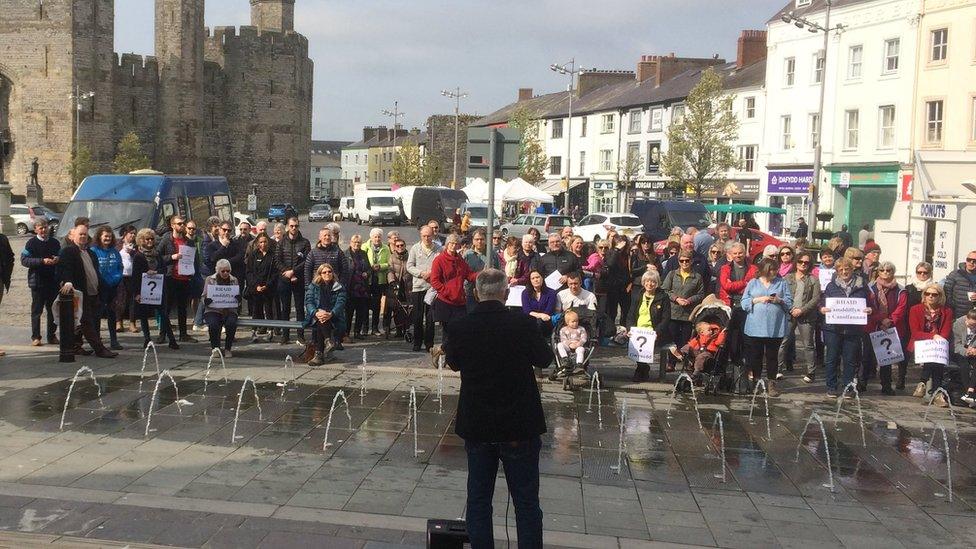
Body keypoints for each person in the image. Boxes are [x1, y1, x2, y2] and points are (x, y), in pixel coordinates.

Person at [443, 269, 550, 549]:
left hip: (478, 423)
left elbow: (453, 362)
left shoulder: (460, 326)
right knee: (526, 502)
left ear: (477, 294)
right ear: (505, 294)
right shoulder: (524, 324)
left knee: (478, 499)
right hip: (519, 422)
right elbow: (545, 358)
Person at [57, 224, 117, 358]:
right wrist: (68, 281)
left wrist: (104, 288)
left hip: (94, 293)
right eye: (80, 234)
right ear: (73, 236)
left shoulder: (90, 252)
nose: (83, 236)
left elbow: (96, 273)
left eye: (85, 234)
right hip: (81, 294)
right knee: (87, 322)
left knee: (91, 321)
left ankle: (76, 346)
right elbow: (65, 268)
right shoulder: (69, 251)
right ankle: (100, 349)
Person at [820, 258, 873, 396]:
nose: (844, 272)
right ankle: (831, 387)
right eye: (841, 270)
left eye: (847, 269)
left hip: (853, 329)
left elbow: (871, 303)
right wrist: (822, 309)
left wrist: (869, 310)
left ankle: (848, 387)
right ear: (837, 272)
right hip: (833, 329)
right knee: (832, 358)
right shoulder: (831, 286)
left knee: (850, 359)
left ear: (852, 269)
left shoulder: (862, 285)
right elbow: (822, 303)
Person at [741, 259, 793, 396]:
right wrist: (757, 300)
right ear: (764, 270)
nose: (774, 272)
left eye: (776, 269)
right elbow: (744, 302)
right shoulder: (753, 283)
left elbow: (789, 302)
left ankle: (771, 383)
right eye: (771, 269)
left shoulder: (781, 283)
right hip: (755, 326)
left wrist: (779, 300)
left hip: (774, 326)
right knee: (756, 356)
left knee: (772, 356)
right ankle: (757, 382)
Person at [157, 215, 199, 349]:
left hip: (185, 278)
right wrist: (172, 257)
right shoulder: (166, 240)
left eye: (183, 224)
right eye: (179, 224)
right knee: (167, 308)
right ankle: (162, 334)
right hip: (171, 278)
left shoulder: (188, 241)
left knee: (182, 308)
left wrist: (193, 271)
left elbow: (194, 258)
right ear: (172, 225)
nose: (181, 226)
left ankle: (183, 333)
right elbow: (158, 257)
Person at [908, 283, 953, 406]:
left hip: (938, 344)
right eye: (928, 294)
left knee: (936, 357)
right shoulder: (915, 309)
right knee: (934, 358)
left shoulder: (947, 311)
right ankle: (937, 393)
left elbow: (946, 331)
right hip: (920, 344)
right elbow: (915, 332)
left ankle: (922, 382)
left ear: (940, 296)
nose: (931, 297)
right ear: (924, 295)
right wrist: (933, 336)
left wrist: (938, 339)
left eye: (934, 294)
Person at [866, 261, 908, 394]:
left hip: (891, 327)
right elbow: (869, 306)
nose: (885, 273)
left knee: (887, 359)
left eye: (888, 270)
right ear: (878, 272)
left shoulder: (900, 290)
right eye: (882, 270)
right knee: (866, 357)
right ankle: (862, 384)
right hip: (873, 325)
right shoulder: (870, 288)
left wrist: (889, 321)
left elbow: (901, 308)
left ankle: (886, 386)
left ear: (893, 272)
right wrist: (880, 319)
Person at [781, 251, 821, 384]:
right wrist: (792, 309)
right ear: (796, 262)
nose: (803, 264)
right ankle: (777, 369)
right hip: (789, 313)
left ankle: (811, 372)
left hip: (807, 315)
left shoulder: (813, 279)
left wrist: (802, 310)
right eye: (800, 262)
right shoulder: (788, 277)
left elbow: (815, 299)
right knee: (784, 341)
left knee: (808, 345)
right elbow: (784, 295)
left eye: (806, 262)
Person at [430, 233, 478, 347]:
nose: (453, 246)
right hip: (445, 301)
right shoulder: (439, 260)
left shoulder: (460, 259)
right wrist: (447, 292)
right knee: (448, 331)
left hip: (459, 301)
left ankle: (448, 353)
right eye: (451, 243)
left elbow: (469, 275)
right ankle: (445, 354)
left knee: (460, 330)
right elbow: (435, 281)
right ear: (447, 244)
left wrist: (481, 275)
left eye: (456, 244)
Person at [662, 250, 706, 371]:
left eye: (687, 260)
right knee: (672, 339)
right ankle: (671, 362)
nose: (685, 263)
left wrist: (690, 300)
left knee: (686, 340)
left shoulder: (697, 277)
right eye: (682, 261)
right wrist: (676, 298)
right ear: (679, 261)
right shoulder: (672, 274)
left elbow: (701, 294)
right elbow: (665, 289)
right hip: (673, 312)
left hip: (688, 314)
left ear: (691, 261)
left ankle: (686, 363)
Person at [625, 270, 670, 381]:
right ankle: (643, 369)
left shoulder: (663, 297)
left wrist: (657, 332)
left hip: (653, 331)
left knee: (646, 347)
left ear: (657, 283)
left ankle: (641, 370)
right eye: (647, 281)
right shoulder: (637, 295)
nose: (649, 284)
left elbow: (666, 318)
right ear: (643, 282)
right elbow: (630, 315)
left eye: (653, 282)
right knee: (636, 346)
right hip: (638, 330)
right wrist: (629, 328)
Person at [718, 242, 756, 371]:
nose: (738, 255)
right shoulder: (725, 268)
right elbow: (726, 286)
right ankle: (728, 365)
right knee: (730, 336)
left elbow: (753, 287)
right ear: (731, 255)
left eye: (740, 252)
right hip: (730, 304)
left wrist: (735, 285)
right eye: (735, 253)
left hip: (746, 305)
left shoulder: (753, 268)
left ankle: (745, 366)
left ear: (744, 253)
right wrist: (745, 283)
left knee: (745, 336)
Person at [22, 218, 61, 346]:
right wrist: (41, 261)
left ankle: (51, 335)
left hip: (52, 281)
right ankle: (36, 337)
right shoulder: (31, 243)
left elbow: (61, 257)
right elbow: (24, 260)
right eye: (41, 228)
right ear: (36, 229)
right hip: (37, 281)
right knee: (37, 311)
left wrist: (57, 259)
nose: (44, 230)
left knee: (53, 310)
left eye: (45, 227)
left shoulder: (55, 242)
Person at [275, 217, 311, 345]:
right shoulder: (281, 243)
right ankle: (285, 335)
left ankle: (300, 335)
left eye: (296, 226)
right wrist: (288, 273)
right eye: (291, 226)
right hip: (284, 279)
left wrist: (294, 272)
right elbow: (277, 261)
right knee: (285, 309)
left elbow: (306, 261)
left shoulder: (305, 242)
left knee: (300, 308)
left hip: (299, 279)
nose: (294, 228)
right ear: (287, 227)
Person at [304, 263, 348, 366]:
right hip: (316, 315)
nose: (327, 274)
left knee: (322, 320)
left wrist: (331, 313)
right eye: (324, 272)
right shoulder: (313, 286)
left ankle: (319, 355)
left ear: (333, 273)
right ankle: (328, 341)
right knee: (321, 318)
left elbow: (340, 303)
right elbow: (309, 302)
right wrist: (316, 312)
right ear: (320, 274)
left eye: (329, 272)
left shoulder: (339, 287)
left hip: (334, 317)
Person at [406, 225, 441, 352]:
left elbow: (441, 266)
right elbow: (409, 266)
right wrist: (421, 273)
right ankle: (417, 342)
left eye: (429, 236)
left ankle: (429, 343)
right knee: (418, 316)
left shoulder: (439, 249)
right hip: (418, 286)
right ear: (421, 236)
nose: (427, 238)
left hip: (432, 288)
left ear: (433, 235)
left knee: (430, 317)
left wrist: (431, 273)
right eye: (424, 236)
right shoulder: (415, 248)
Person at [92, 226, 125, 351]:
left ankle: (114, 340)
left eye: (110, 236)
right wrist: (101, 281)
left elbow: (119, 267)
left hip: (113, 286)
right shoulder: (93, 251)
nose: (108, 238)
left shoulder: (114, 251)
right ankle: (97, 341)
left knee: (112, 314)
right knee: (98, 314)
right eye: (105, 236)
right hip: (99, 287)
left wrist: (116, 279)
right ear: (100, 236)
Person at [202, 259, 241, 357]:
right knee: (213, 324)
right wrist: (206, 300)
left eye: (228, 271)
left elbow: (237, 297)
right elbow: (203, 296)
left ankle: (228, 348)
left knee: (231, 323)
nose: (225, 273)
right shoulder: (210, 279)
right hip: (213, 309)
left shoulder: (234, 280)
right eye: (223, 271)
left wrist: (238, 299)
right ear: (217, 271)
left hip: (229, 309)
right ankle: (215, 348)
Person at [245, 233, 278, 342]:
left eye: (265, 242)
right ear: (257, 243)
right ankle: (254, 332)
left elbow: (275, 273)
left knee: (269, 310)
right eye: (261, 242)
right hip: (256, 288)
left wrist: (267, 285)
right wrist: (255, 285)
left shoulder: (273, 256)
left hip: (268, 288)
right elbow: (249, 272)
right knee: (256, 310)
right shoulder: (253, 255)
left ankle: (270, 331)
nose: (263, 244)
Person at [363, 228, 389, 336]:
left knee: (376, 305)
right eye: (375, 236)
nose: (377, 239)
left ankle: (375, 328)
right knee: (364, 304)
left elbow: (389, 263)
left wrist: (381, 266)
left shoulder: (386, 248)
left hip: (379, 280)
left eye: (379, 236)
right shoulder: (364, 247)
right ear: (371, 237)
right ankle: (364, 328)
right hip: (367, 280)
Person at [345, 234, 370, 339]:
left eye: (358, 243)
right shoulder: (345, 254)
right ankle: (346, 333)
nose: (356, 244)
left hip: (362, 288)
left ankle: (357, 332)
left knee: (361, 311)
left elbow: (369, 268)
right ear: (351, 243)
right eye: (354, 242)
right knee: (348, 312)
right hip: (350, 287)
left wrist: (367, 273)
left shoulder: (364, 254)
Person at [387, 237, 412, 337]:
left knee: (407, 308)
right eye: (398, 246)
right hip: (396, 285)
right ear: (395, 247)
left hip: (408, 285)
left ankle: (407, 328)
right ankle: (398, 330)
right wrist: (392, 281)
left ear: (405, 246)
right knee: (396, 308)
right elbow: (390, 270)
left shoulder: (410, 256)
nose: (400, 247)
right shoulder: (392, 257)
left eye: (402, 245)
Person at [944, 250, 976, 319]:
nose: (971, 262)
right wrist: (952, 306)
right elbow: (946, 292)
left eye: (975, 261)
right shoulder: (955, 274)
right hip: (956, 314)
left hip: (973, 316)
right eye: (969, 260)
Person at [954, 310, 976, 406]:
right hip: (960, 351)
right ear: (966, 319)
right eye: (971, 325)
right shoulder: (958, 324)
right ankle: (969, 393)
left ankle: (970, 392)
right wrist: (966, 351)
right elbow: (956, 344)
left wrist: (974, 350)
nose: (973, 327)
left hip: (974, 351)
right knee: (964, 366)